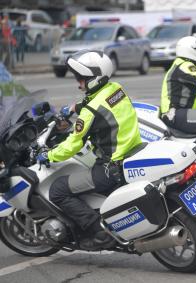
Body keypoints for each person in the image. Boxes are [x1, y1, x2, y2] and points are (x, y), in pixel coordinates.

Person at [36, 50, 142, 250]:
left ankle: (98, 232)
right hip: (132, 150)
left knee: (58, 190)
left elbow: (73, 145)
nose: (79, 84)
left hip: (110, 168)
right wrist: (74, 108)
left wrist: (47, 155)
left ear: (93, 79)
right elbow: (98, 100)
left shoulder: (89, 113)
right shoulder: (116, 89)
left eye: (81, 79)